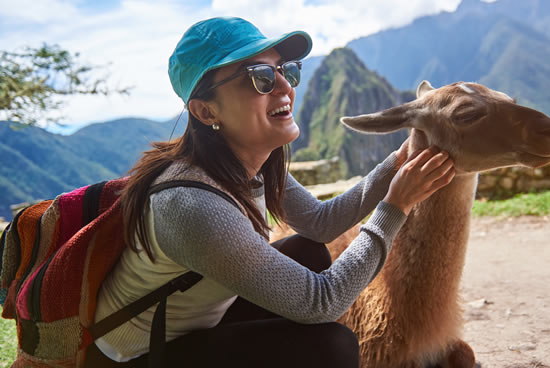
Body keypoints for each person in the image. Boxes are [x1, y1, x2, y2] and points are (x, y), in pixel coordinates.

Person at [85, 16, 455, 368]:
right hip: (139, 355)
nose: (285, 86)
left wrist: (397, 161)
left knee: (308, 250)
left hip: (203, 321)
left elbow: (319, 223)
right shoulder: (190, 204)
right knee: (332, 347)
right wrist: (395, 205)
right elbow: (321, 301)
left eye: (285, 70)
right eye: (259, 77)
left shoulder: (250, 160)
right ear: (205, 110)